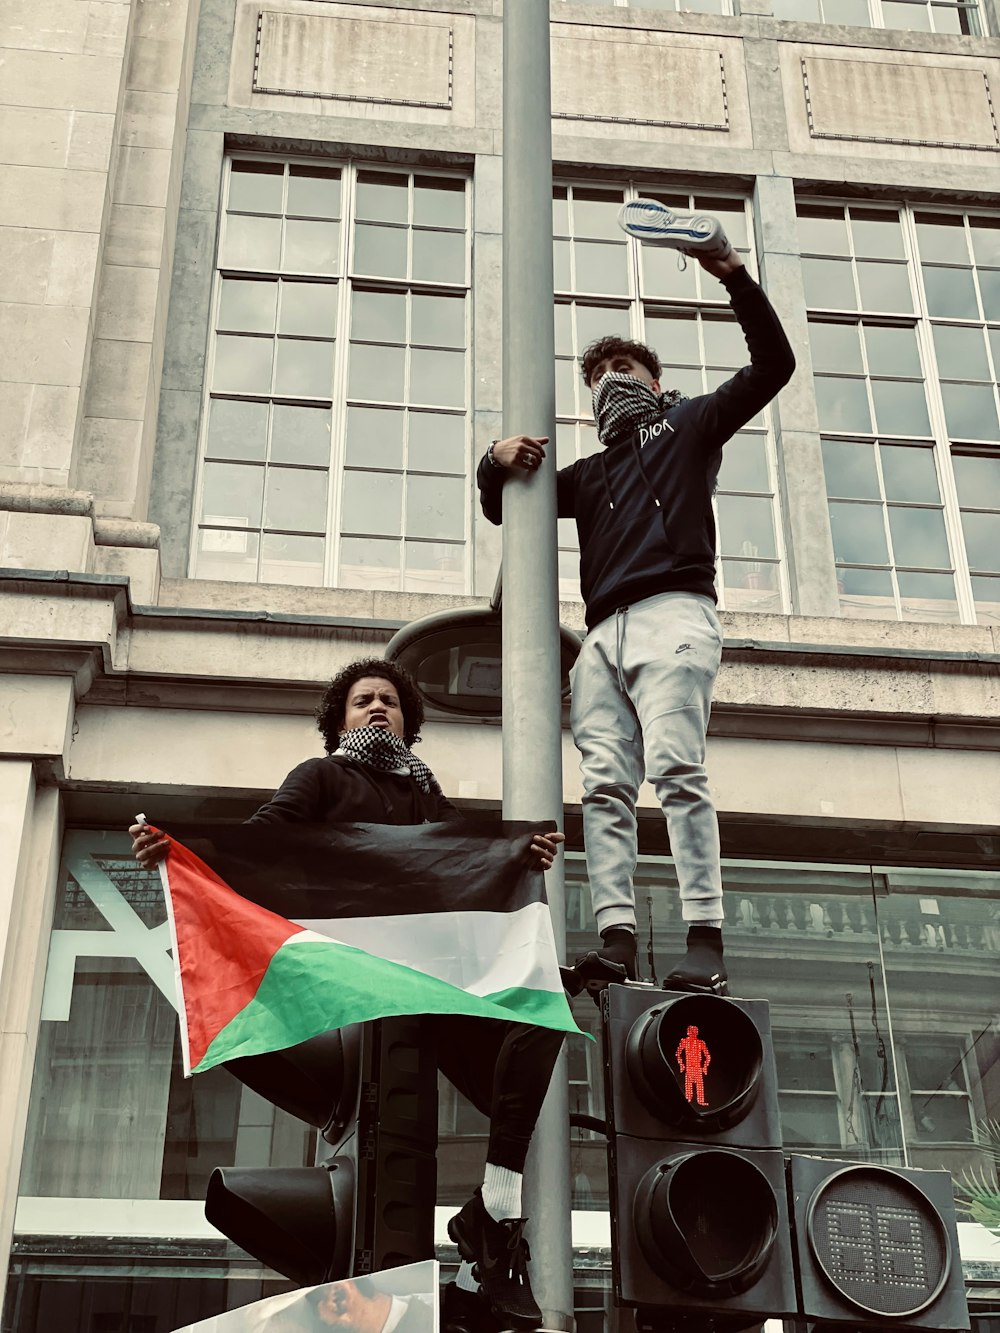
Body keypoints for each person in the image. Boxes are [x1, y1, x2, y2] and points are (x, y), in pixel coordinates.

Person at [131, 658, 565, 1333]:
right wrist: (183, 853)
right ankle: (494, 1224)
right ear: (341, 718)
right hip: (360, 980)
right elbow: (265, 838)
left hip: (426, 988)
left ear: (407, 721)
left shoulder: (429, 797)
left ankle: (496, 1201)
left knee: (541, 1016)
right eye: (363, 699)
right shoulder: (322, 777)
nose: (377, 708)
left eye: (390, 700)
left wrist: (519, 856)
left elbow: (469, 859)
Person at [477, 246, 794, 997]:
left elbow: (772, 365)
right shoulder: (586, 476)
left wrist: (732, 275)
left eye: (624, 367)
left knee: (679, 770)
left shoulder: (686, 426)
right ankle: (617, 935)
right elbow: (504, 509)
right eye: (596, 375)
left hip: (672, 613)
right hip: (601, 636)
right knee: (605, 790)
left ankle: (705, 936)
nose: (610, 381)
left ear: (653, 380)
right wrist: (493, 461)